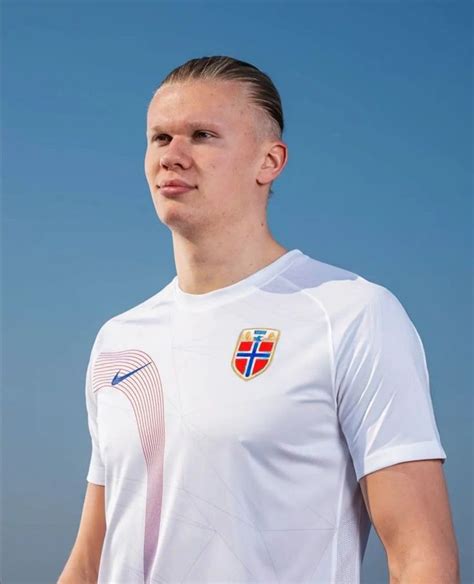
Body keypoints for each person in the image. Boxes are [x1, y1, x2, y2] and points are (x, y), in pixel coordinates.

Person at [58, 56, 459, 584]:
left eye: (202, 135)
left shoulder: (353, 313)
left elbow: (420, 557)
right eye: (159, 138)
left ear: (269, 161)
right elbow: (92, 557)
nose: (173, 157)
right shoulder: (120, 339)